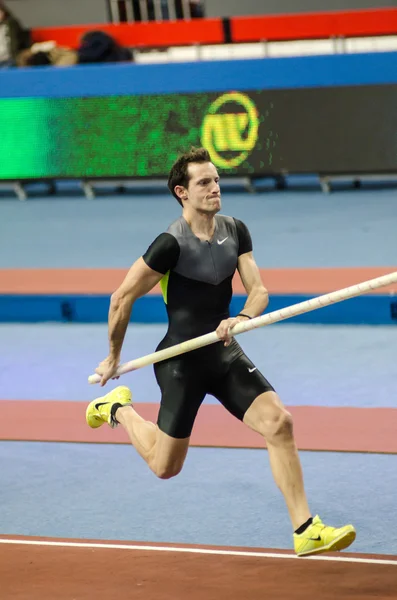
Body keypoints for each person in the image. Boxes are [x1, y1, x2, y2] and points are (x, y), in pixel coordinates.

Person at [86, 147, 356, 557]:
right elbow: (121, 298)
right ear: (182, 192)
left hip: (223, 351)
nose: (215, 188)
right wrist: (112, 357)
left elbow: (259, 290)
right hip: (179, 361)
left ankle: (305, 529)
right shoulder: (169, 245)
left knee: (279, 422)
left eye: (215, 179)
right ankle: (117, 409)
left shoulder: (236, 230)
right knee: (165, 467)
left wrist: (241, 317)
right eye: (204, 183)